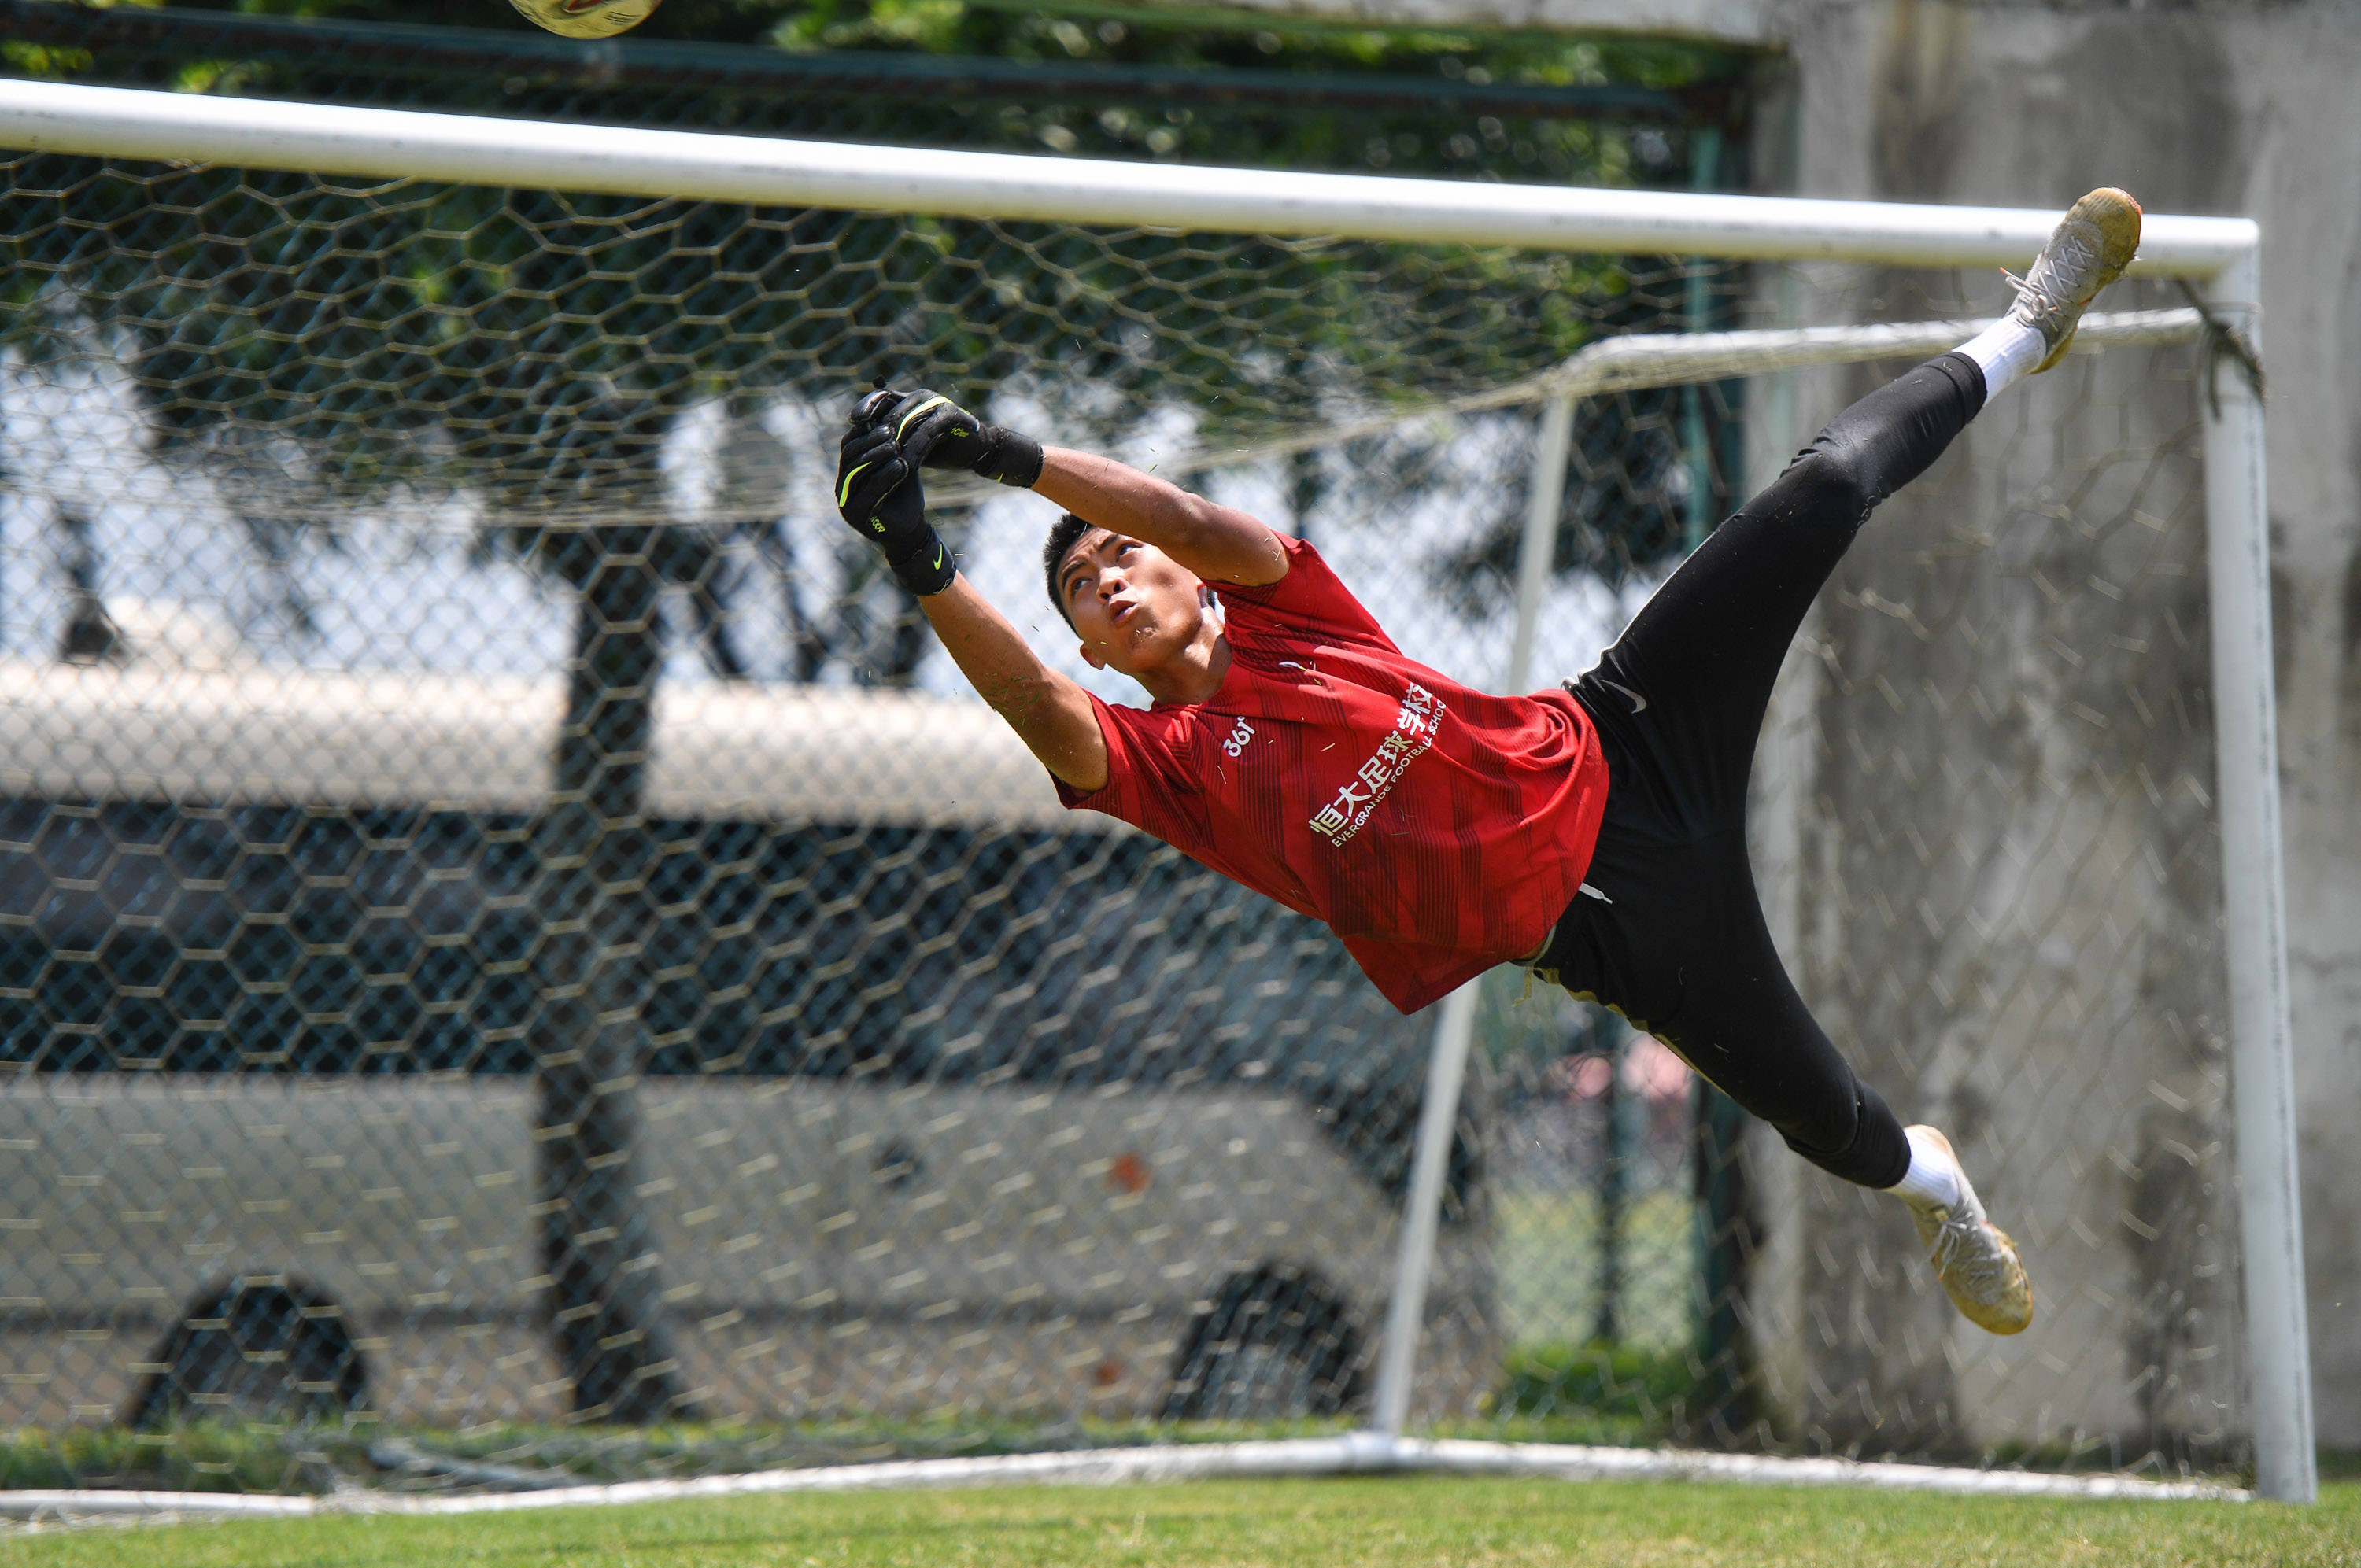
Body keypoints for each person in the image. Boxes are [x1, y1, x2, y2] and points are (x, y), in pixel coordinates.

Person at [831, 187, 2146, 1337]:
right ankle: (1937, 1185)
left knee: (1817, 488)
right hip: (1614, 925)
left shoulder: (1294, 607)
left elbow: (1180, 513)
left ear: (1180, 577)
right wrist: (917, 555)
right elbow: (1026, 699)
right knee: (1829, 1126)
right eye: (1079, 586)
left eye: (1117, 554)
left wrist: (1003, 458)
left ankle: (2029, 324)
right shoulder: (1156, 759)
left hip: (1621, 729)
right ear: (1095, 653)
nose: (1110, 574)